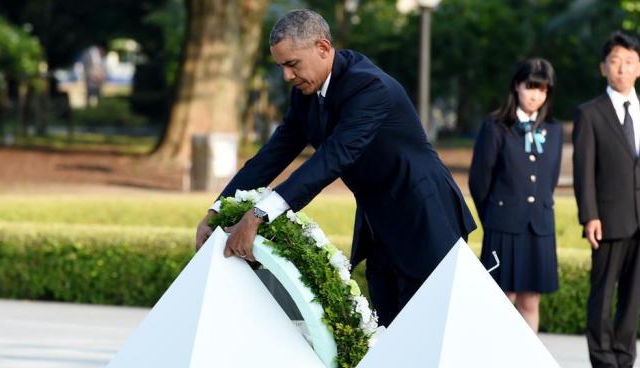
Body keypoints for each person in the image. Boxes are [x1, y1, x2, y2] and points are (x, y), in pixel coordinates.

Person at [195, 9, 476, 327]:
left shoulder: (370, 88)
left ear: (323, 48)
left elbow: (332, 158)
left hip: (426, 216)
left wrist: (260, 214)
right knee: (388, 328)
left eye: (292, 64)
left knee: (429, 329)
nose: (287, 76)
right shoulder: (305, 94)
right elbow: (271, 156)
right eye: (281, 67)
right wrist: (217, 210)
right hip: (379, 223)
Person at [573, 31, 640, 368]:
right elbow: (583, 170)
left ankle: (626, 364)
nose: (622, 68)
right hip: (608, 218)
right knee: (602, 294)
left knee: (633, 295)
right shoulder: (590, 113)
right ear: (604, 68)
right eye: (615, 61)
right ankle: (605, 367)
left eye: (629, 61)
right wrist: (589, 216)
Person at [469, 58, 562, 333]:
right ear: (517, 87)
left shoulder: (553, 130)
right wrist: (495, 217)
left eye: (543, 89)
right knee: (502, 299)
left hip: (539, 226)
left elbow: (551, 178)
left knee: (530, 301)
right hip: (503, 226)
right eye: (530, 86)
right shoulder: (496, 126)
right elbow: (479, 181)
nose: (536, 95)